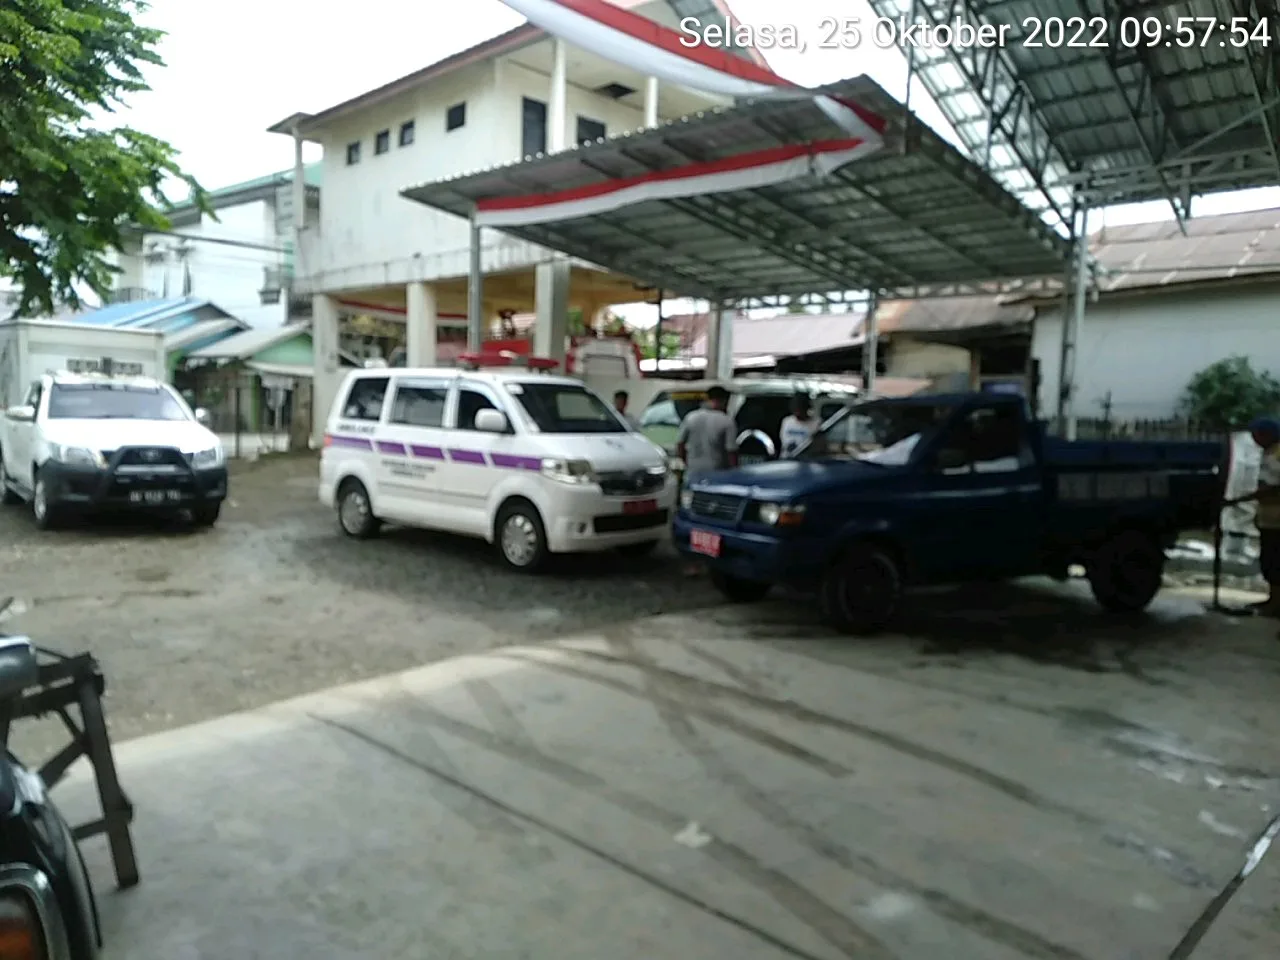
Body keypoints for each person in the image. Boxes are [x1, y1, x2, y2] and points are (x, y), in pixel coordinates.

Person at [1225, 416, 1280, 615]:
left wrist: (1241, 499)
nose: (1254, 439)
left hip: (1276, 520)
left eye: (1257, 435)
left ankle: (1276, 605)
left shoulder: (1276, 455)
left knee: (1275, 562)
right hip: (1269, 517)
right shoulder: (1269, 453)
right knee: (1270, 561)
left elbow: (1272, 489)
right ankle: (1273, 600)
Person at [677, 385, 737, 482]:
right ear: (724, 400)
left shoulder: (691, 417)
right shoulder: (727, 421)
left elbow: (680, 444)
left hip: (693, 471)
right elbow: (731, 452)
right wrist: (735, 473)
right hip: (717, 473)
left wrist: (686, 462)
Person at [779, 394, 818, 458]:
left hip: (806, 459)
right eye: (795, 410)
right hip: (787, 458)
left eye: (800, 409)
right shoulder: (787, 421)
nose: (797, 413)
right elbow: (783, 439)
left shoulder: (816, 423)